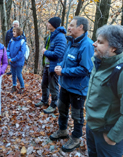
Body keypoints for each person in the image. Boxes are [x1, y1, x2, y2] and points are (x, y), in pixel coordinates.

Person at [85, 25, 123, 157]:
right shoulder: (100, 62)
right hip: (93, 127)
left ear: (113, 48)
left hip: (108, 133)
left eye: (100, 42)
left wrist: (112, 137)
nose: (94, 44)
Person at [52, 16, 94, 152]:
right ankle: (63, 130)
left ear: (80, 27)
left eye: (71, 25)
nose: (68, 28)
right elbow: (65, 60)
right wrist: (60, 67)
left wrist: (64, 71)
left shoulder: (87, 45)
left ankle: (76, 138)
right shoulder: (71, 41)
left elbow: (85, 69)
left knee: (77, 115)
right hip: (65, 85)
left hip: (78, 88)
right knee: (62, 109)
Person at [34, 17, 67, 114]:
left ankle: (53, 105)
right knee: (44, 84)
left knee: (53, 87)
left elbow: (58, 54)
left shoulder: (60, 37)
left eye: (49, 23)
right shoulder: (51, 36)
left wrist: (45, 52)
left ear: (53, 25)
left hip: (54, 66)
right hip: (47, 65)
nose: (47, 24)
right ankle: (44, 100)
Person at [7, 27, 26, 94]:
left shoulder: (22, 41)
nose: (13, 33)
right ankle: (14, 86)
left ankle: (22, 87)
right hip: (12, 61)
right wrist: (9, 57)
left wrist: (14, 59)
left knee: (18, 74)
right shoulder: (11, 40)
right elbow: (8, 49)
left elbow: (21, 53)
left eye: (14, 32)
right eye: (13, 31)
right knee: (13, 74)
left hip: (18, 62)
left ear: (18, 33)